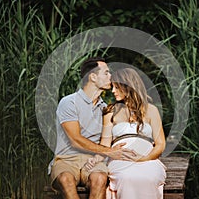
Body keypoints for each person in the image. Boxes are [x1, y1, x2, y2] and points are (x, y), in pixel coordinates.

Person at [49, 57, 136, 199]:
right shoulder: (69, 102)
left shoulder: (105, 108)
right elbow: (75, 140)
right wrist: (109, 151)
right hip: (66, 159)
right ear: (93, 77)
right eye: (106, 73)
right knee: (65, 179)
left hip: (94, 160)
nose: (110, 76)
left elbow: (110, 136)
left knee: (100, 179)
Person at [85, 67, 167, 199]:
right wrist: (95, 159)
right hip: (121, 159)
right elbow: (105, 144)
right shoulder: (111, 111)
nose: (112, 91)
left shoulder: (151, 110)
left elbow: (160, 144)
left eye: (116, 87)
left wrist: (144, 158)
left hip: (148, 158)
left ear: (128, 86)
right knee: (126, 177)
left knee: (148, 177)